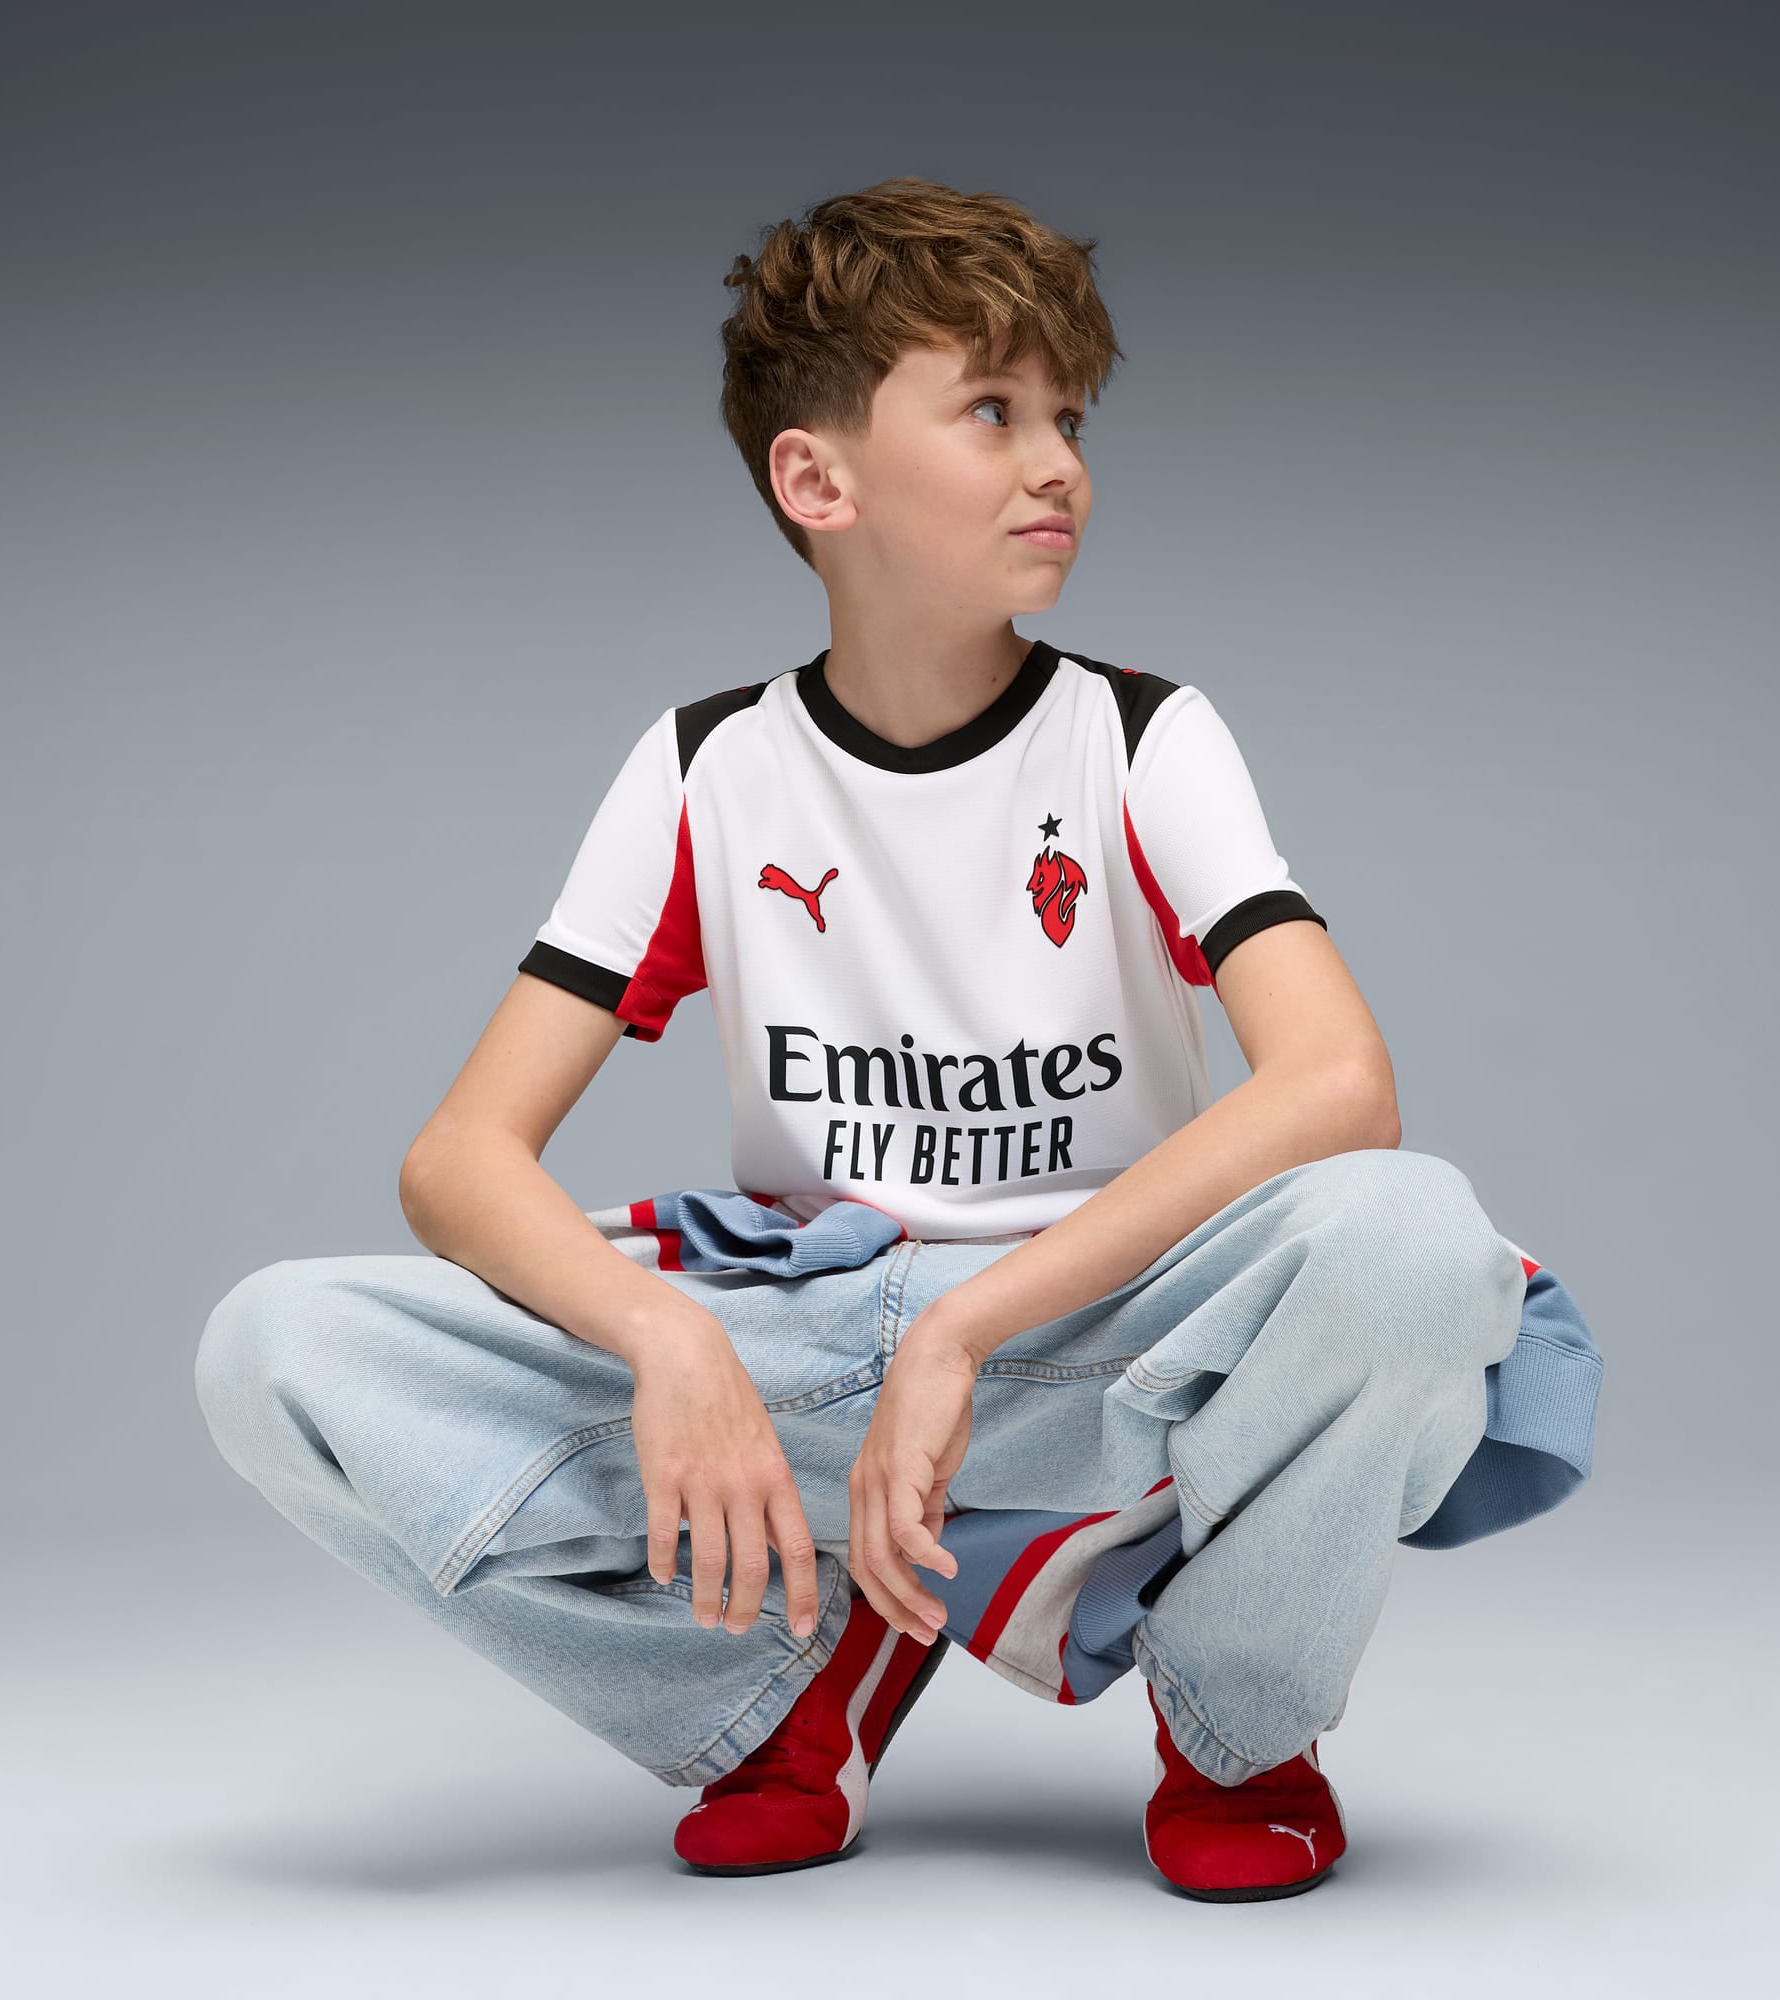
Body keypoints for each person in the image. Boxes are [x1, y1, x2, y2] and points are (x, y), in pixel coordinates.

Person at [195, 176, 1597, 1901]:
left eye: (1070, 419)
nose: (1059, 464)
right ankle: (775, 1693)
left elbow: (1339, 1084)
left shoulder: (1142, 738)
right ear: (818, 480)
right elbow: (458, 1158)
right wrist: (664, 1340)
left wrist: (968, 1331)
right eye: (994, 410)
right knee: (273, 1352)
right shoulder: (705, 769)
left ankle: (1239, 1732)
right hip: (812, 1349)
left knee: (1415, 1240)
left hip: (1104, 1341)